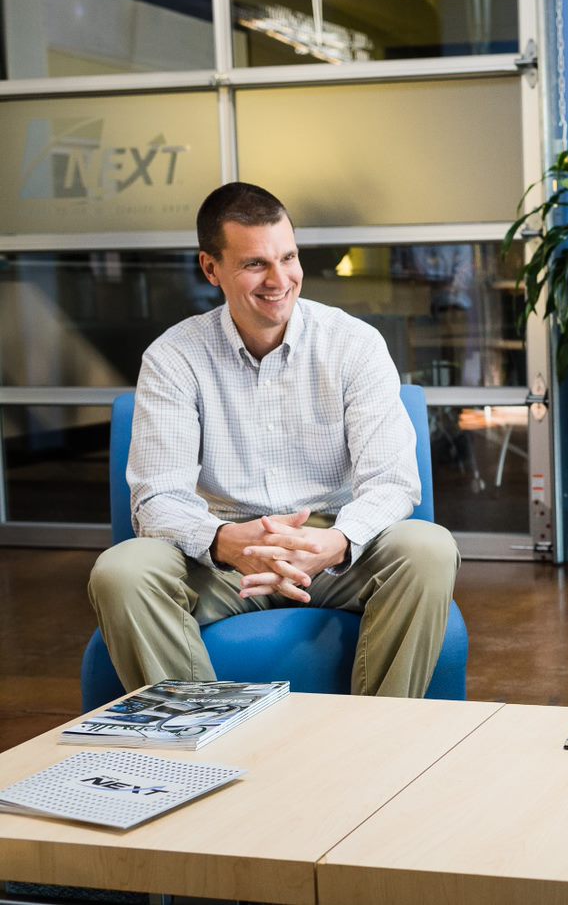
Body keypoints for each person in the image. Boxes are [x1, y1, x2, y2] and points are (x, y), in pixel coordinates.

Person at [89, 181, 459, 698]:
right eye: (255, 264)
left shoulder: (354, 345)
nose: (279, 279)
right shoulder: (174, 358)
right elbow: (157, 499)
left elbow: (392, 482)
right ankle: (204, 739)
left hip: (331, 549)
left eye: (288, 257)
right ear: (210, 268)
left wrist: (335, 543)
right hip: (220, 555)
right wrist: (224, 543)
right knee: (122, 572)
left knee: (429, 548)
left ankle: (377, 747)